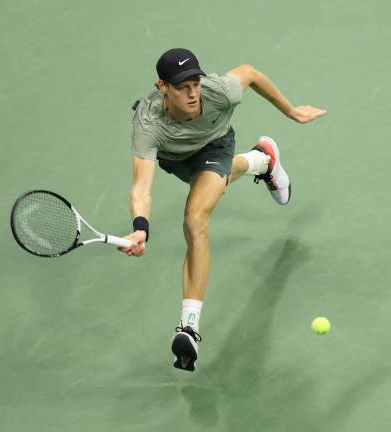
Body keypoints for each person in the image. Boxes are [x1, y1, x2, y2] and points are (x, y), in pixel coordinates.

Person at [119, 48, 326, 372]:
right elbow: (141, 187)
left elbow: (249, 71)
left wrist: (292, 112)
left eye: (195, 83)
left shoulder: (219, 92)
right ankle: (263, 159)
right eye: (181, 87)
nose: (191, 93)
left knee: (194, 219)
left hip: (215, 144)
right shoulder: (148, 124)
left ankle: (189, 327)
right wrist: (140, 227)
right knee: (213, 180)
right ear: (163, 88)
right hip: (176, 159)